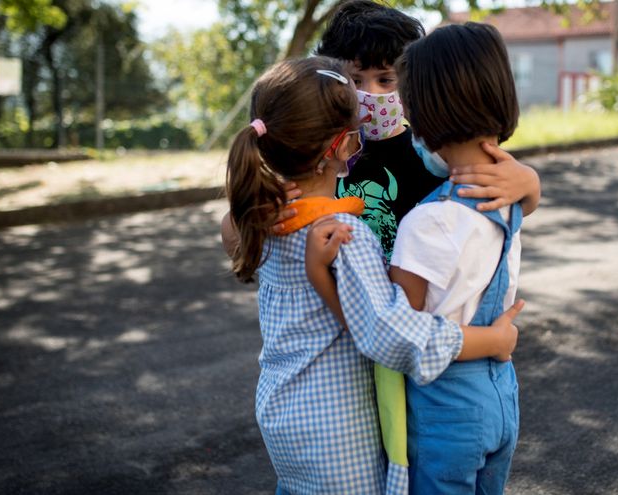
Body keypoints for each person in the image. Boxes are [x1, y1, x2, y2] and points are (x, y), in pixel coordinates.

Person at [225, 56, 523, 495]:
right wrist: (490, 341)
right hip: (337, 430)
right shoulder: (344, 236)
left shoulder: (262, 221)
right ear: (343, 145)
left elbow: (233, 232)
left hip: (282, 416)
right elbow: (389, 332)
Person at [309, 1, 541, 488]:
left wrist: (529, 180)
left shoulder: (429, 158)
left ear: (415, 92)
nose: (370, 95)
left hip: (410, 347)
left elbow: (496, 184)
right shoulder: (326, 157)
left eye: (386, 80)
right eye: (355, 80)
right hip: (352, 356)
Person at [388, 22, 527, 493]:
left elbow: (401, 331)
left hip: (446, 411)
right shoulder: (511, 195)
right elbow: (527, 194)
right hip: (502, 398)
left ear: (420, 118)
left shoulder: (426, 223)